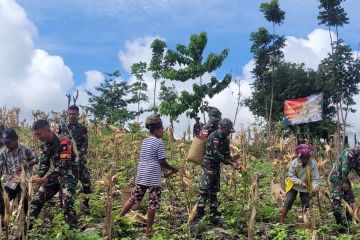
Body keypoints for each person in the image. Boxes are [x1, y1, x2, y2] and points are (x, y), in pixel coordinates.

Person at [120, 114, 178, 238]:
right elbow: (161, 161)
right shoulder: (159, 142)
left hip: (142, 174)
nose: (163, 132)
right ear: (157, 129)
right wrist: (173, 169)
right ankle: (149, 230)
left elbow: (151, 158)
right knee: (153, 202)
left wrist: (165, 170)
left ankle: (118, 219)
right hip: (153, 177)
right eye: (162, 129)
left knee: (134, 198)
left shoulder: (145, 141)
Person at [29, 119, 78, 228]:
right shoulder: (43, 145)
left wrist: (45, 179)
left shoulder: (64, 142)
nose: (38, 137)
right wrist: (39, 176)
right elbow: (44, 165)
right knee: (36, 201)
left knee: (67, 204)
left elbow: (64, 165)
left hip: (69, 175)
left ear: (48, 129)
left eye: (39, 134)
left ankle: (72, 232)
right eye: (36, 135)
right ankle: (24, 232)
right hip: (55, 176)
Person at [193, 118, 241, 225]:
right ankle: (199, 217)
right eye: (228, 130)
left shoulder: (226, 139)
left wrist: (234, 162)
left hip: (216, 167)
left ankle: (213, 216)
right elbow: (216, 153)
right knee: (204, 191)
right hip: (208, 166)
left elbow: (226, 154)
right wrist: (230, 163)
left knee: (214, 191)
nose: (229, 132)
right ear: (223, 128)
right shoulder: (214, 136)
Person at [60, 105, 91, 213]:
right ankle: (65, 207)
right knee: (65, 183)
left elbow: (85, 143)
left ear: (78, 114)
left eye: (74, 114)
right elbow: (58, 143)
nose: (72, 116)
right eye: (70, 114)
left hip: (79, 160)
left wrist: (80, 156)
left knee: (86, 182)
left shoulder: (82, 128)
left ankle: (85, 204)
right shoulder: (62, 127)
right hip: (66, 161)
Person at [0, 128, 37, 218]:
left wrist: (26, 165)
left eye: (8, 142)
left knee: (24, 204)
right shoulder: (3, 152)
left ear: (15, 139)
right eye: (5, 142)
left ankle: (25, 224)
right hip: (11, 182)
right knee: (3, 204)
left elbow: (36, 159)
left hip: (25, 181)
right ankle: (4, 226)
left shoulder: (25, 148)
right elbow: (1, 169)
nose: (6, 144)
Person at [279, 144, 320, 224]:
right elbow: (291, 175)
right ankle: (281, 220)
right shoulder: (294, 163)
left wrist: (315, 188)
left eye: (307, 157)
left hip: (306, 185)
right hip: (294, 184)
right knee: (289, 200)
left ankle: (305, 223)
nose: (305, 160)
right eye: (303, 158)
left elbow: (315, 177)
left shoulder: (312, 163)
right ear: (299, 157)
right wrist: (300, 182)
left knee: (305, 203)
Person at [329, 144, 360, 230]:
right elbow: (344, 169)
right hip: (337, 178)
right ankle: (339, 224)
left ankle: (349, 220)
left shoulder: (357, 156)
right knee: (337, 199)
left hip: (344, 178)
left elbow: (358, 169)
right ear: (358, 146)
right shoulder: (349, 152)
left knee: (350, 199)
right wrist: (345, 182)